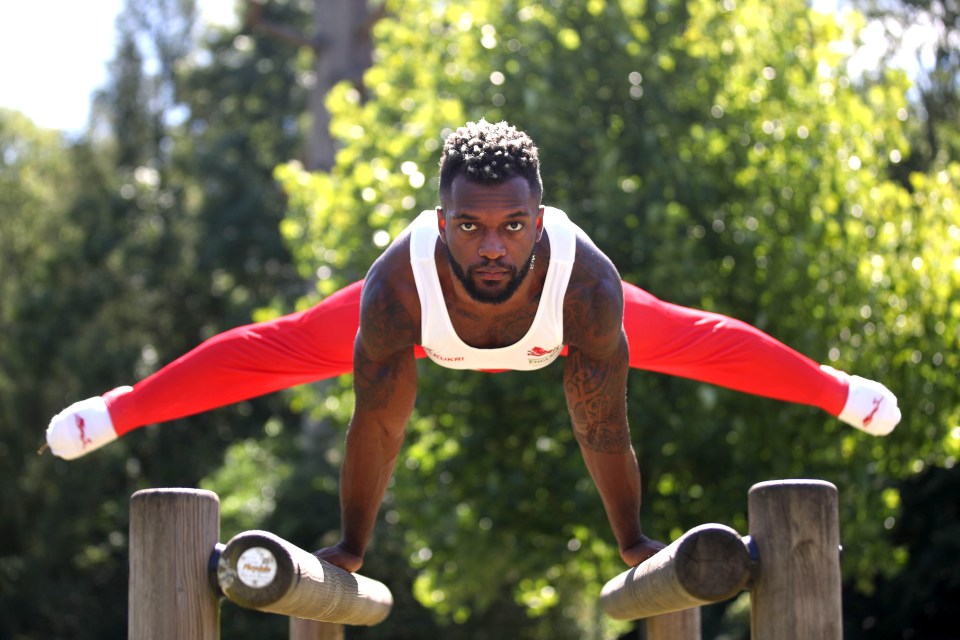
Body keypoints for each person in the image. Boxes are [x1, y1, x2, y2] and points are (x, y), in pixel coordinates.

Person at [45, 119, 901, 572]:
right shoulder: (399, 286)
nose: (492, 246)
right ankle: (118, 410)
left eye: (513, 225)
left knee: (695, 338)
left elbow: (604, 426)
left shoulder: (585, 282)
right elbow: (376, 427)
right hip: (420, 332)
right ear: (440, 220)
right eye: (469, 225)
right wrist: (349, 547)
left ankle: (835, 388)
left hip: (568, 329)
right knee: (282, 345)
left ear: (541, 218)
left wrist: (633, 540)